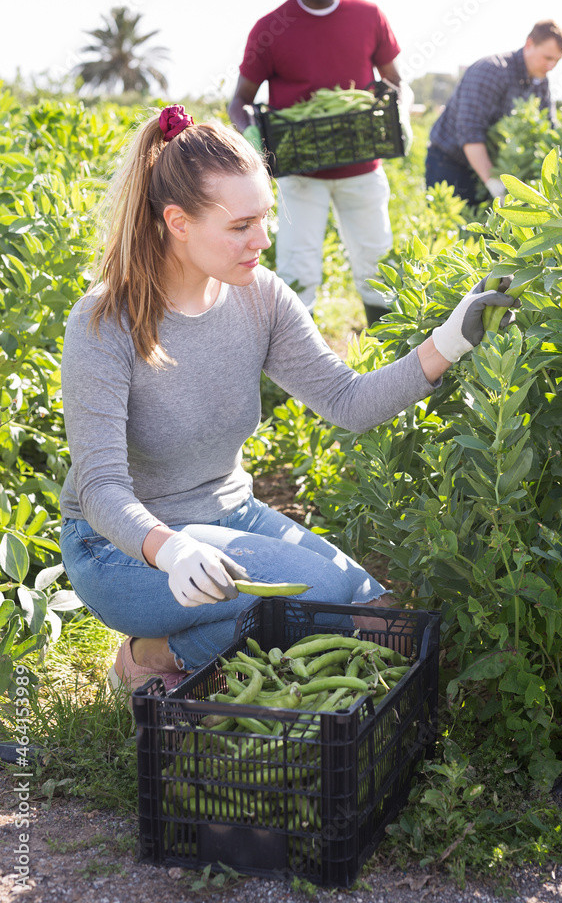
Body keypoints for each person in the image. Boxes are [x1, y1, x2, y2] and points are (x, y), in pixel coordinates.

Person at [57, 105, 517, 696]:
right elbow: (100, 487)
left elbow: (346, 400)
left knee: (374, 613)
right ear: (177, 221)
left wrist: (448, 342)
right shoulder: (105, 319)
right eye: (241, 225)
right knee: (316, 597)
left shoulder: (261, 298)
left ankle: (188, 650)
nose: (263, 239)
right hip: (123, 551)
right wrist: (170, 550)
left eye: (266, 217)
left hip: (229, 514)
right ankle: (154, 655)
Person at [228, 0, 410, 328]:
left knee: (377, 261)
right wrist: (252, 136)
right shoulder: (270, 29)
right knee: (298, 267)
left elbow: (396, 81)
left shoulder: (368, 16)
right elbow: (239, 101)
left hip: (362, 167)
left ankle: (387, 354)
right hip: (300, 169)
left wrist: (401, 110)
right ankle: (296, 368)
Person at [425, 20, 562, 206]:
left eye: (557, 61)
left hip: (493, 166)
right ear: (529, 44)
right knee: (451, 229)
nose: (552, 66)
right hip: (452, 163)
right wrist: (496, 187)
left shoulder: (541, 83)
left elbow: (548, 129)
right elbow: (470, 134)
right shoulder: (491, 71)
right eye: (548, 58)